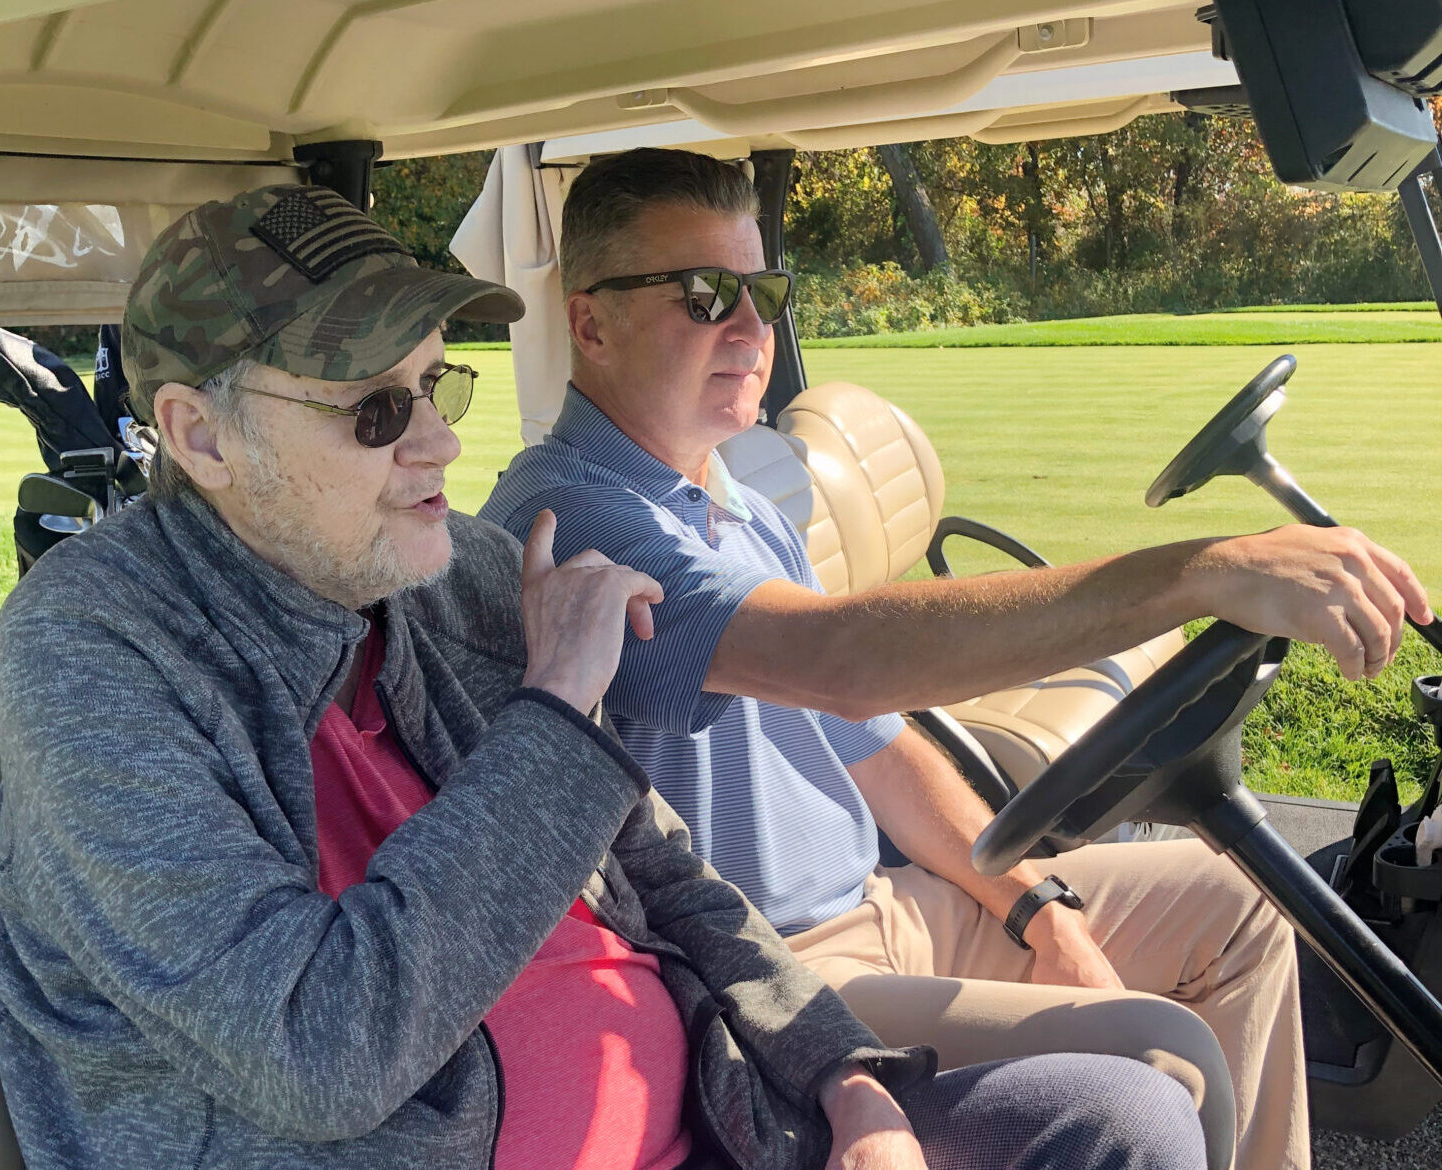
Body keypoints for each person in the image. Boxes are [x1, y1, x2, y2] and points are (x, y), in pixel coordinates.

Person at [0, 183, 1209, 1170]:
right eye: (375, 412)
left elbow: (667, 870)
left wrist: (849, 1078)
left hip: (717, 1110)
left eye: (435, 384)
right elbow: (322, 1055)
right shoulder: (98, 652)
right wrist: (559, 707)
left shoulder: (442, 572)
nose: (442, 442)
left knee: (1124, 1118)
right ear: (202, 438)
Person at [480, 147, 1436, 1170]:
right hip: (766, 976)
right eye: (707, 295)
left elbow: (876, 749)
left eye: (764, 292)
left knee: (1240, 907)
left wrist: (1033, 906)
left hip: (886, 909)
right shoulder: (574, 517)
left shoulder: (741, 504)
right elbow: (839, 657)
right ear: (589, 321)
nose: (754, 331)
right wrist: (1199, 573)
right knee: (1164, 1054)